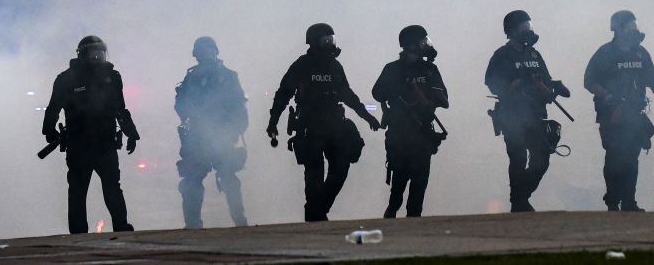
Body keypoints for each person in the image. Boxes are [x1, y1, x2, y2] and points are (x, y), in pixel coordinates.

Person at [266, 23, 381, 222]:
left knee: (341, 168)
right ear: (314, 42)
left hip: (335, 125)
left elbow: (348, 95)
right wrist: (273, 121)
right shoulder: (302, 65)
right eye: (326, 40)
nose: (330, 44)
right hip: (309, 126)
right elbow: (283, 94)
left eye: (331, 40)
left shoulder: (335, 66)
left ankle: (316, 210)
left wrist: (367, 116)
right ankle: (315, 215)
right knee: (314, 173)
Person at [42, 35, 141, 234]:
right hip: (79, 146)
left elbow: (120, 109)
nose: (97, 57)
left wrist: (131, 133)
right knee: (78, 191)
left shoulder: (113, 77)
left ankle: (121, 226)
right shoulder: (66, 79)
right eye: (93, 53)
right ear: (82, 55)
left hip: (105, 143)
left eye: (100, 53)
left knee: (112, 187)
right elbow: (53, 108)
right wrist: (49, 130)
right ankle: (78, 233)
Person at [584, 10, 654, 211]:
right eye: (630, 26)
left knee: (632, 158)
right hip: (612, 114)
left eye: (635, 26)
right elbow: (589, 81)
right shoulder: (605, 53)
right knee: (614, 156)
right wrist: (608, 98)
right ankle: (612, 199)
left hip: (635, 114)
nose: (634, 30)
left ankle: (628, 201)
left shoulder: (641, 53)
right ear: (618, 29)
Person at [484, 9, 571, 212]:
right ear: (512, 30)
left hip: (537, 114)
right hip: (512, 116)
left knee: (542, 158)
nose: (528, 31)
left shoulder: (534, 54)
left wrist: (550, 89)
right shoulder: (502, 55)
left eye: (529, 26)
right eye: (524, 27)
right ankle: (519, 202)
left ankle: (521, 195)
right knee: (518, 158)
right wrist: (510, 87)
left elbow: (547, 80)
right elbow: (491, 82)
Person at [372, 25, 449, 218]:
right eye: (422, 41)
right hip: (399, 134)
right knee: (399, 179)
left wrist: (428, 100)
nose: (426, 45)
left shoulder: (430, 69)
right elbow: (377, 93)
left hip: (423, 132)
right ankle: (392, 211)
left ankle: (413, 220)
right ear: (411, 45)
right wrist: (397, 93)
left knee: (420, 181)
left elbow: (444, 99)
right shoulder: (392, 69)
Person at [175, 36, 250, 228]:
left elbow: (239, 106)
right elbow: (180, 105)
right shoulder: (190, 78)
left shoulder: (229, 76)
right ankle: (193, 225)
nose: (206, 54)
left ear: (215, 51)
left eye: (209, 50)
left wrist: (235, 128)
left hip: (222, 135)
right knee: (192, 180)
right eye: (202, 51)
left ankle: (240, 221)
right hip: (198, 137)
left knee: (229, 178)